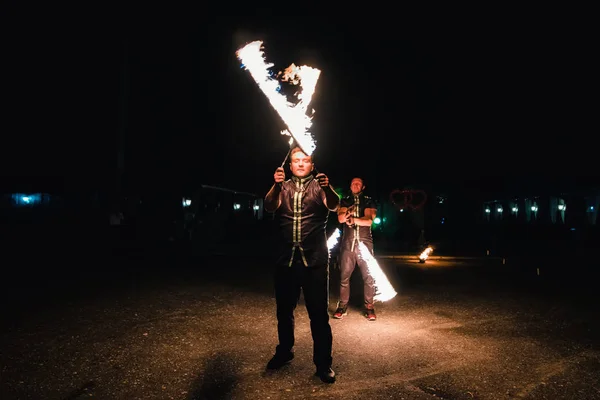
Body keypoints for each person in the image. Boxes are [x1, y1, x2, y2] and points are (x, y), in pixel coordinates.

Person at [264, 146, 340, 384]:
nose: (299, 164)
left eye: (305, 160)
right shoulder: (282, 186)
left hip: (314, 261)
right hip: (286, 260)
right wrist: (275, 185)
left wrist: (328, 187)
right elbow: (269, 206)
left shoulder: (320, 186)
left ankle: (323, 363)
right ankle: (284, 352)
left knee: (318, 315)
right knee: (284, 312)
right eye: (296, 160)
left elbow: (334, 205)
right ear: (289, 165)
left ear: (312, 164)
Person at [333, 177, 378, 321]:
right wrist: (346, 215)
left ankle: (369, 307)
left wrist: (354, 219)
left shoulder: (368, 201)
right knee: (344, 276)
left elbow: (369, 221)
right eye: (353, 183)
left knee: (368, 276)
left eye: (358, 183)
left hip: (365, 243)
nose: (355, 185)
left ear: (363, 187)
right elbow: (340, 219)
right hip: (348, 243)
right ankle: (342, 306)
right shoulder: (345, 200)